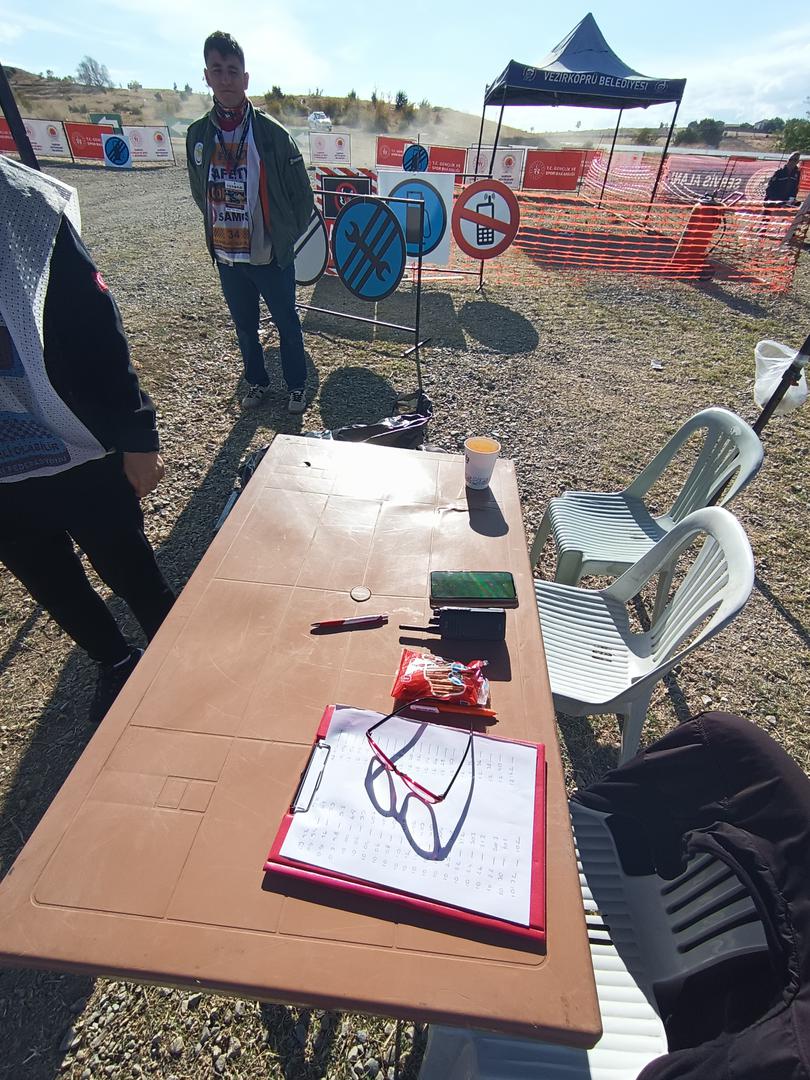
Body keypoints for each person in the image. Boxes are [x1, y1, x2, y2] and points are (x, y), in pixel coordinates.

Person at [0, 156, 175, 719]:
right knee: (52, 585)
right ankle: (115, 661)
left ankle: (178, 654)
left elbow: (97, 323)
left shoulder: (22, 202)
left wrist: (138, 434)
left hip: (77, 445)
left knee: (130, 569)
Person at [186, 31, 314, 413]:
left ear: (245, 78)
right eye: (217, 70)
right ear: (206, 76)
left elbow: (302, 197)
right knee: (245, 329)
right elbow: (199, 193)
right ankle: (257, 382)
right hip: (228, 257)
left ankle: (297, 386)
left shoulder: (272, 134)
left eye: (232, 71)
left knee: (287, 324)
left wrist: (281, 238)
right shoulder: (198, 135)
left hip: (269, 256)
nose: (225, 79)